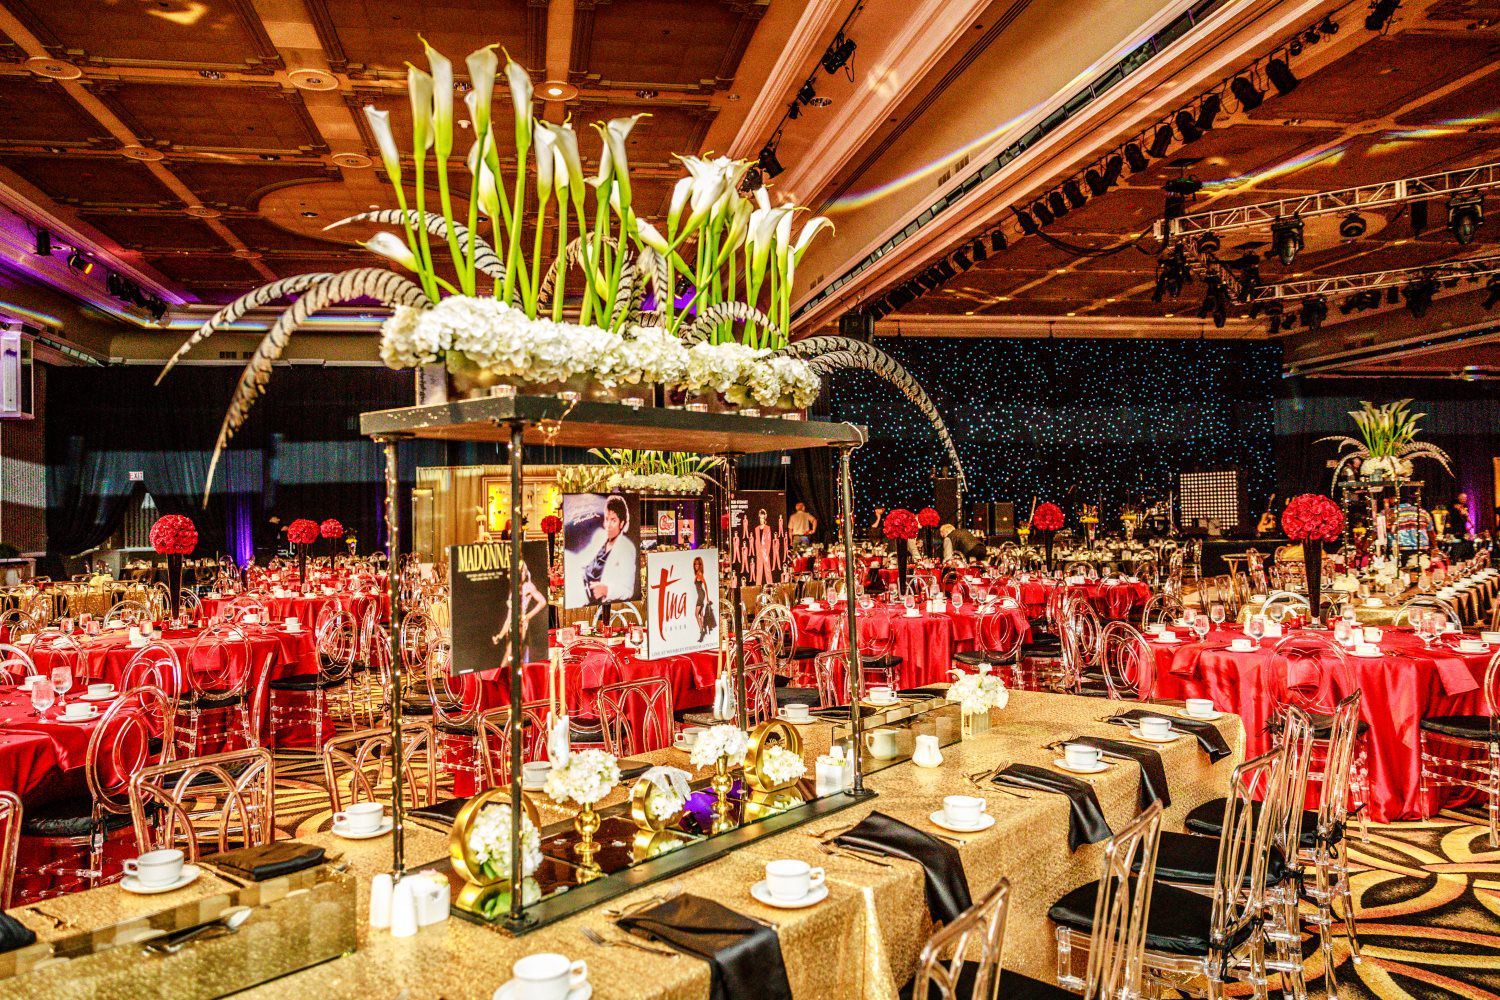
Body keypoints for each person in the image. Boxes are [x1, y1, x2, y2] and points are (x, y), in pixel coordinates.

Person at [580, 494, 638, 604]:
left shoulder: (626, 548)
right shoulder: (599, 538)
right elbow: (582, 562)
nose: (608, 525)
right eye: (607, 519)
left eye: (613, 520)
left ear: (621, 524)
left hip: (603, 605)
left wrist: (606, 590)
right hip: (584, 601)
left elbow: (628, 590)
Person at [692, 556, 717, 641]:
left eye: (697, 564)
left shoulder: (699, 574)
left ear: (700, 565)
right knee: (700, 614)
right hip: (700, 595)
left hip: (701, 596)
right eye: (695, 564)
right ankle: (702, 631)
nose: (696, 566)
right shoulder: (697, 573)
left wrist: (707, 597)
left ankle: (702, 631)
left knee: (696, 614)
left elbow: (705, 584)